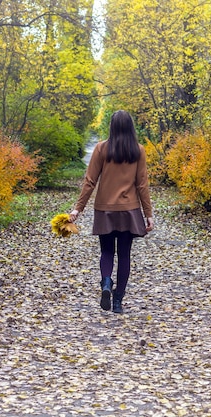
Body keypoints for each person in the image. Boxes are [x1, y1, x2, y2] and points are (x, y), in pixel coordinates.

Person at [69, 110, 154, 313]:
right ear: (131, 127)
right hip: (129, 210)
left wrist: (77, 209)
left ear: (112, 127)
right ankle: (117, 302)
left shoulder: (101, 149)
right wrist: (148, 213)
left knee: (107, 251)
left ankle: (106, 282)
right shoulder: (138, 151)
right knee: (124, 255)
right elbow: (142, 185)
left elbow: (90, 181)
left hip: (105, 210)